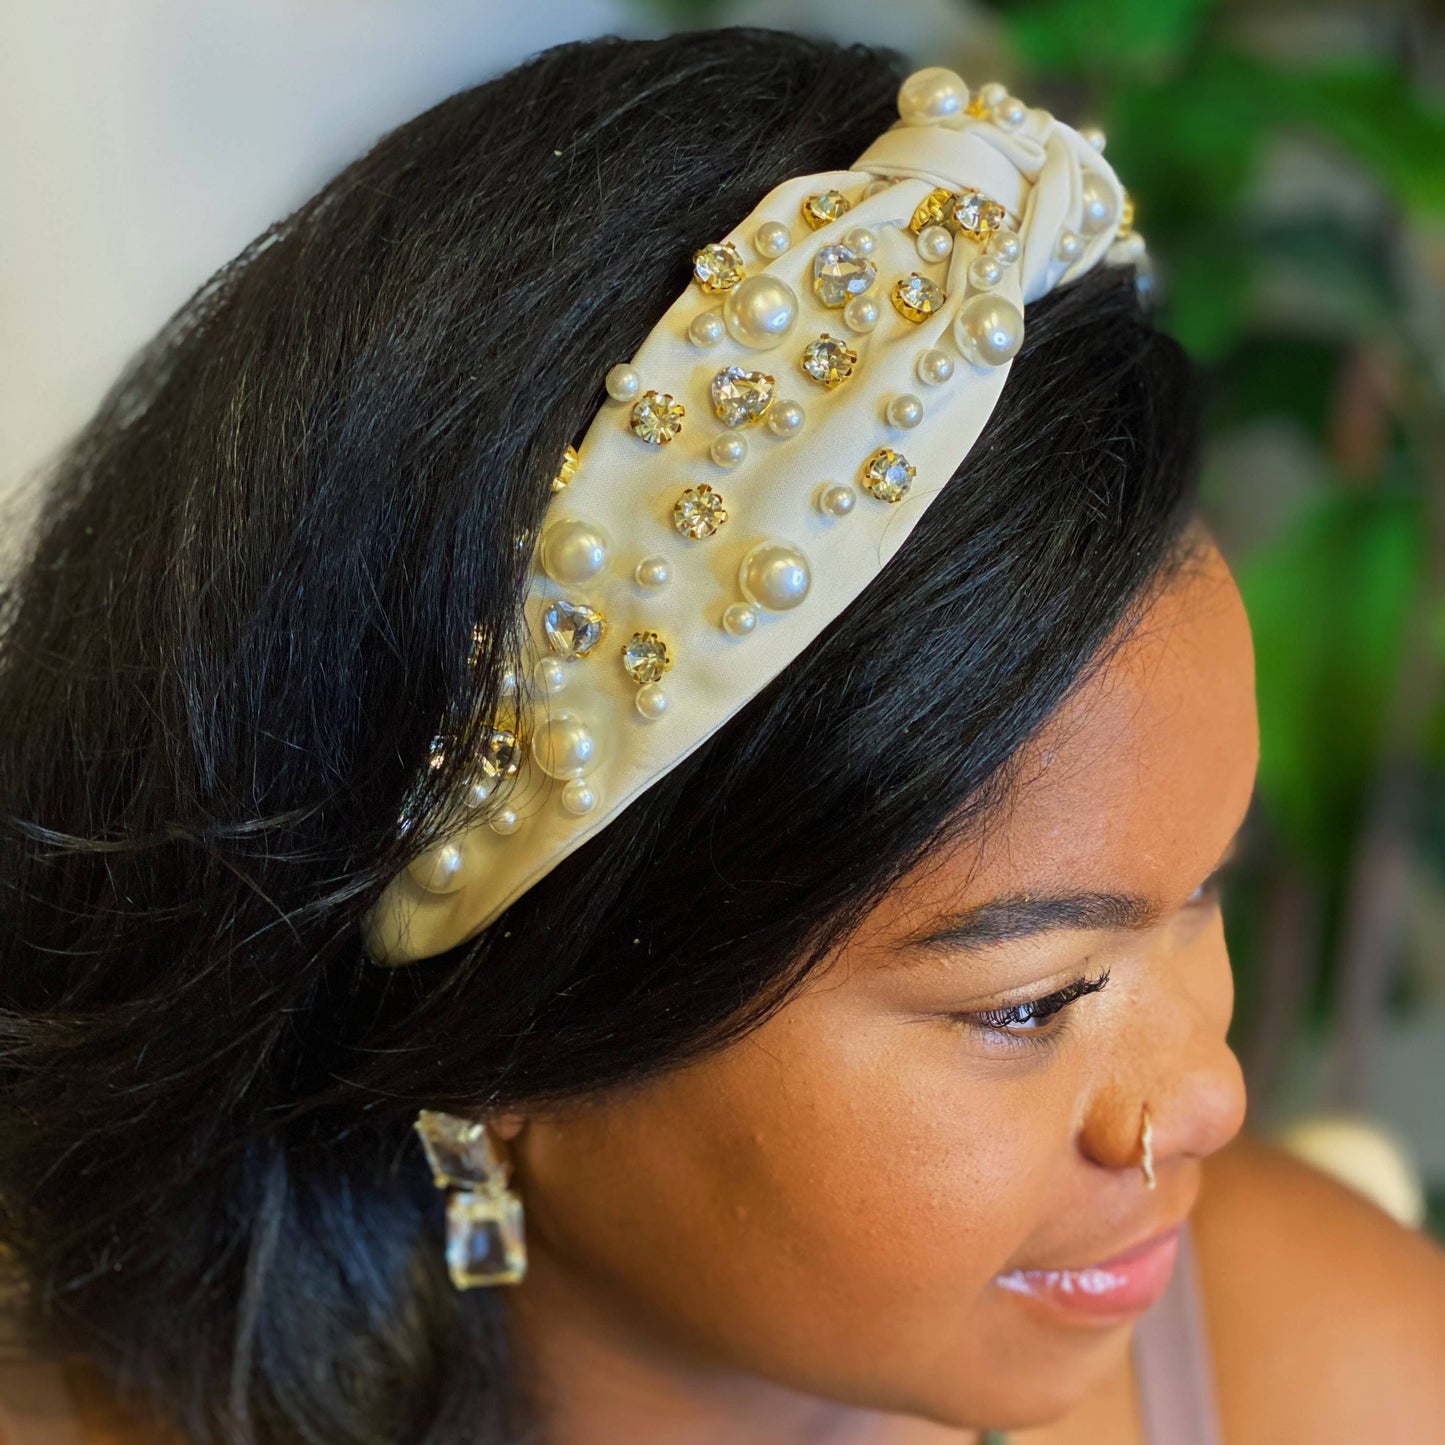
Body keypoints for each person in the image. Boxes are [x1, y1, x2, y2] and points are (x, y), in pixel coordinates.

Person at [0, 26, 1441, 1445]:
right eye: (1030, 1000)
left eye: (1202, 893)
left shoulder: (1331, 1370)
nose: (1208, 1093)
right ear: (507, 1036)